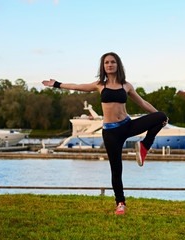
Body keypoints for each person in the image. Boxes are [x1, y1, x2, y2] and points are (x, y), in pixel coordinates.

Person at [42, 52, 168, 215]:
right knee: (116, 169)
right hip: (111, 133)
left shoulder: (126, 85)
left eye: (112, 62)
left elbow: (143, 103)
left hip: (127, 125)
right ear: (103, 66)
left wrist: (160, 117)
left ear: (118, 65)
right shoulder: (100, 85)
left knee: (161, 116)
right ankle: (120, 203)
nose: (109, 65)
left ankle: (144, 145)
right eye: (106, 62)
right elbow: (78, 86)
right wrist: (57, 84)